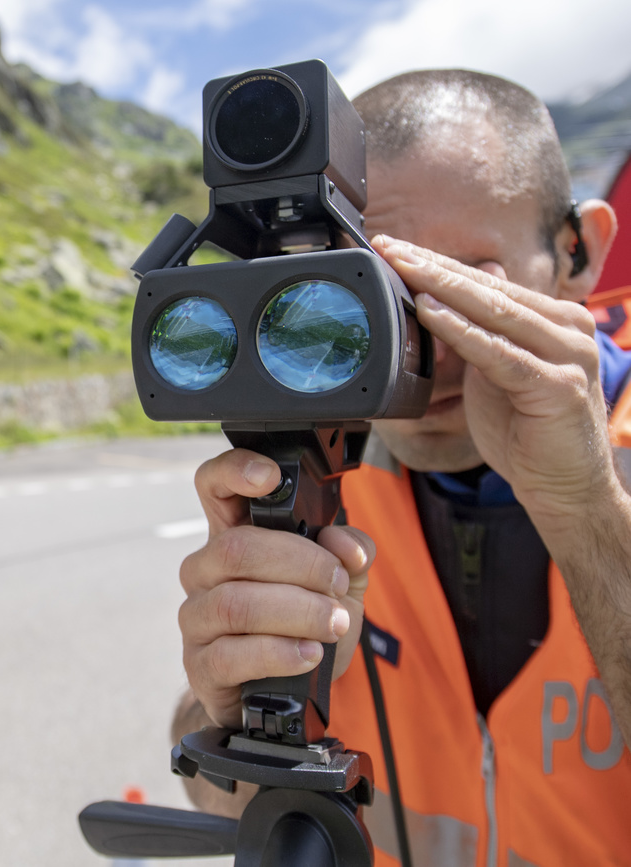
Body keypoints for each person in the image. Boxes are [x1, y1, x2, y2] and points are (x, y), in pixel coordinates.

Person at [171, 70, 631, 865]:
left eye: (466, 287)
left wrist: (588, 514)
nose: (429, 349)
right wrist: (245, 712)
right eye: (381, 298)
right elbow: (217, 800)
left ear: (578, 250)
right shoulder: (321, 474)